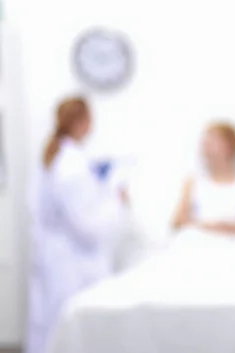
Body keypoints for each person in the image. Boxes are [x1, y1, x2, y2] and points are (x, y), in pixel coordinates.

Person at [26, 96, 128, 353]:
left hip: (57, 254)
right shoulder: (71, 164)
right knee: (67, 327)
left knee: (50, 324)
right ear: (83, 122)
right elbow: (86, 224)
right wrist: (117, 199)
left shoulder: (59, 157)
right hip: (72, 260)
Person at [172, 121, 235, 236]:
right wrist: (206, 227)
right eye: (205, 142)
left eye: (213, 142)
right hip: (196, 243)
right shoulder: (193, 182)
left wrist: (227, 228)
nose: (206, 147)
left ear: (230, 147)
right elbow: (178, 221)